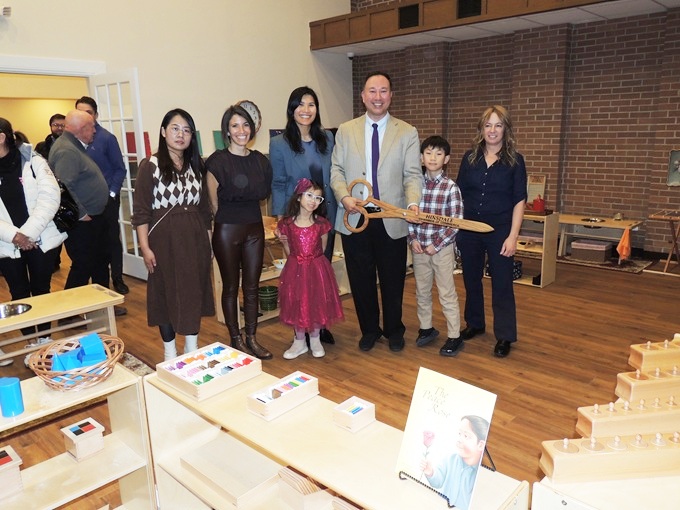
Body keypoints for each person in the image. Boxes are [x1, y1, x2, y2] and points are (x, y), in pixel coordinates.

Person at [330, 71, 422, 352]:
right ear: (363, 96)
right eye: (372, 91)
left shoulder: (407, 132)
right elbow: (337, 170)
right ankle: (369, 329)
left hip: (391, 217)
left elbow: (412, 175)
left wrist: (413, 204)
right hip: (355, 216)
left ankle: (394, 330)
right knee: (361, 279)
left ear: (391, 95)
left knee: (393, 278)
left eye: (383, 91)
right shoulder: (346, 130)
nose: (378, 97)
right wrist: (344, 197)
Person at [132, 108, 214, 361]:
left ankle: (191, 346)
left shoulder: (196, 165)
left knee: (193, 291)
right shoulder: (150, 165)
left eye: (187, 130)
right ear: (163, 131)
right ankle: (170, 351)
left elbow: (205, 210)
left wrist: (208, 243)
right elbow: (141, 212)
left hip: (195, 239)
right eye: (175, 128)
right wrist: (145, 248)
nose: (181, 135)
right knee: (164, 293)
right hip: (163, 240)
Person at [456, 105, 527, 358]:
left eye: (498, 125)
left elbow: (519, 200)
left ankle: (505, 335)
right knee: (471, 278)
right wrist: (457, 228)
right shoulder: (469, 158)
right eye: (488, 125)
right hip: (470, 229)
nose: (493, 130)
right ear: (481, 129)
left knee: (502, 282)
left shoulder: (515, 161)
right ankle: (475, 323)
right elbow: (459, 194)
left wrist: (513, 236)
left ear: (505, 129)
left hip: (500, 231)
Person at [270, 86, 337, 345]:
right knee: (298, 274)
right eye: (300, 104)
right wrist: (281, 218)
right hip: (296, 217)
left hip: (324, 214)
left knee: (322, 272)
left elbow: (333, 174)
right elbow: (278, 182)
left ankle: (320, 325)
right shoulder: (280, 143)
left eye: (311, 104)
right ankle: (301, 327)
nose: (306, 110)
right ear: (292, 109)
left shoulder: (327, 138)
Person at [206, 104, 273, 360]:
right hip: (227, 230)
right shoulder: (217, 161)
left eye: (245, 125)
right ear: (227, 130)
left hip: (254, 228)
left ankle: (252, 338)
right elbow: (213, 203)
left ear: (252, 129)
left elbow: (264, 194)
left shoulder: (260, 161)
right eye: (235, 125)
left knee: (252, 286)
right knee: (231, 286)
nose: (241, 130)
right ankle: (235, 338)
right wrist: (227, 220)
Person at [0, 118, 67, 366]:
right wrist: (15, 236)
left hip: (40, 239)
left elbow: (50, 197)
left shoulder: (33, 160)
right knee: (19, 293)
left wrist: (28, 233)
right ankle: (31, 341)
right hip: (7, 244)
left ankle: (45, 340)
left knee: (41, 290)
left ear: (1, 137)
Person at [408, 136, 464, 357]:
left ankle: (454, 335)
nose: (433, 158)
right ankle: (426, 328)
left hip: (442, 249)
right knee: (422, 291)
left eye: (439, 154)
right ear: (421, 158)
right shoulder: (415, 186)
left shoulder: (451, 188)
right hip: (419, 248)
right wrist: (413, 239)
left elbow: (456, 222)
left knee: (446, 292)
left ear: (446, 159)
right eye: (428, 153)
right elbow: (408, 215)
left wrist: (436, 244)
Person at [277, 178, 344, 359]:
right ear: (299, 197)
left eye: (318, 198)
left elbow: (322, 248)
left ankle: (315, 339)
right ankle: (299, 341)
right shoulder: (287, 224)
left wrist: (311, 261)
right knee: (297, 302)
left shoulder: (321, 224)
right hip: (295, 269)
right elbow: (289, 250)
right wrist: (285, 243)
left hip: (316, 268)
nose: (313, 201)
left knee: (316, 301)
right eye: (309, 195)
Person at [75, 96, 130, 304]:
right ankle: (95, 288)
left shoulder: (106, 138)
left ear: (96, 115)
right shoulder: (73, 141)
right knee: (91, 246)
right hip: (84, 204)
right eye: (80, 112)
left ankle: (117, 278)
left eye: (88, 112)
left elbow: (119, 169)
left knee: (111, 240)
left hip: (107, 201)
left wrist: (112, 193)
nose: (84, 116)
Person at [48, 110, 110, 291]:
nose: (95, 131)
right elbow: (64, 188)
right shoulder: (67, 150)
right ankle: (71, 308)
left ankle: (102, 302)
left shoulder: (73, 146)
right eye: (92, 127)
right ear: (82, 128)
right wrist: (82, 214)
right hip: (83, 222)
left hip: (92, 218)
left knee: (99, 262)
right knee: (83, 266)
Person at [420, 415, 489, 510]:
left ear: (480, 445)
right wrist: (430, 473)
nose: (459, 439)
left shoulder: (480, 473)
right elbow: (438, 482)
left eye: (466, 436)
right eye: (459, 434)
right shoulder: (449, 460)